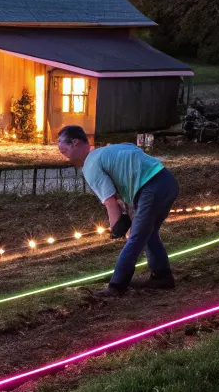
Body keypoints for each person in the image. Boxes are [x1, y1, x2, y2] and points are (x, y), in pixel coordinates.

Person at [56, 126, 179, 295]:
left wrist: (116, 229)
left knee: (136, 237)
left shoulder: (91, 165)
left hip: (151, 186)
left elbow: (110, 202)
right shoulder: (105, 152)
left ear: (75, 142)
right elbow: (131, 156)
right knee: (148, 233)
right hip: (166, 181)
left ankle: (117, 285)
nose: (60, 150)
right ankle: (162, 276)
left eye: (62, 145)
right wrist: (129, 212)